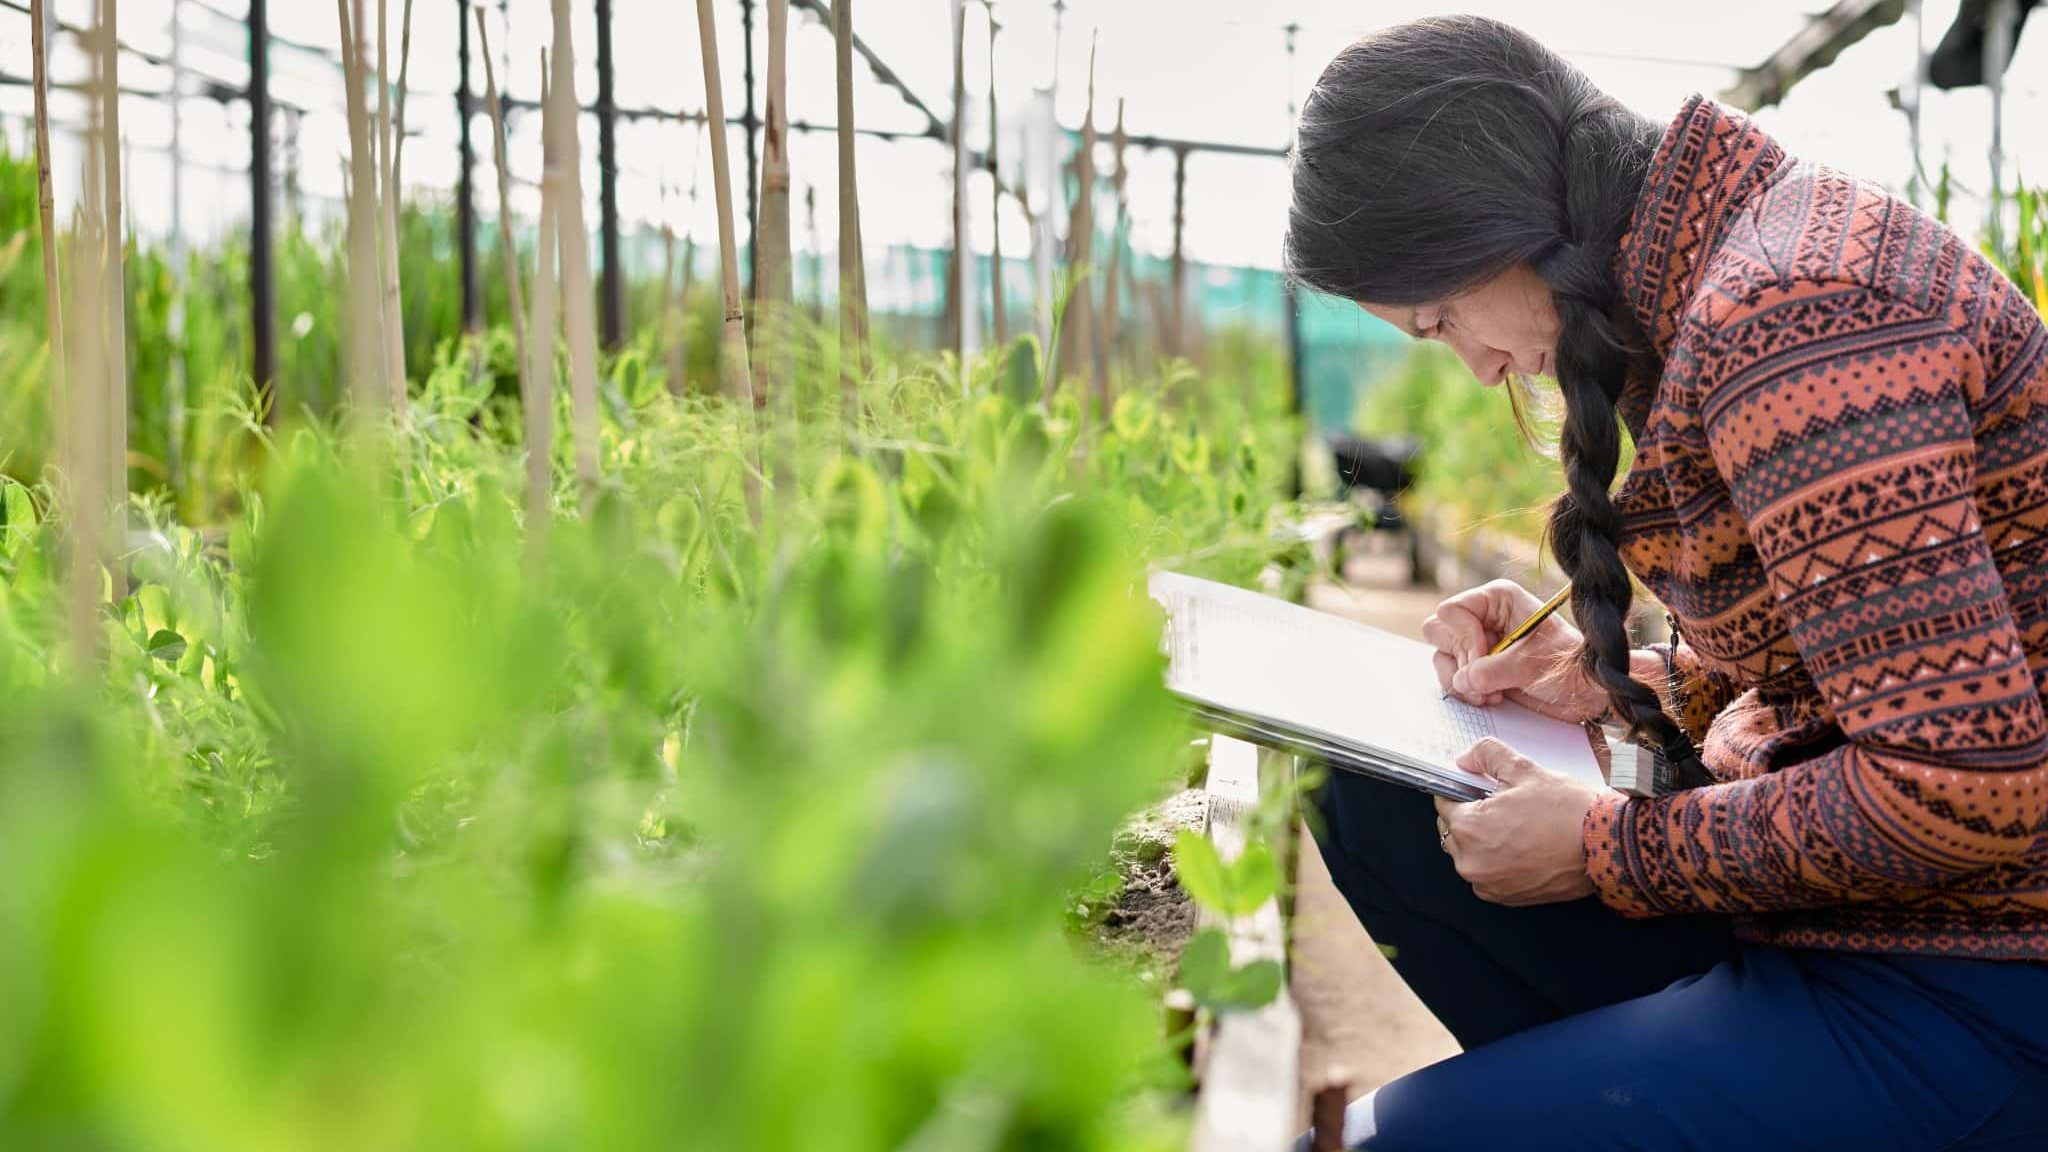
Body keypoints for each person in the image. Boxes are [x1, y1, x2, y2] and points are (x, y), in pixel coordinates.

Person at [1284, 15, 2048, 1150]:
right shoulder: (1707, 280)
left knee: (1409, 1138)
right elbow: (1840, 664)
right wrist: (1618, 679)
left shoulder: (1798, 320)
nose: (1478, 365)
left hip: (1978, 972)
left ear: (1502, 222)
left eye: (1440, 320)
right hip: (1846, 917)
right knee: (1377, 796)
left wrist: (1605, 847)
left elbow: (1964, 786)